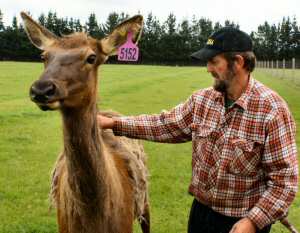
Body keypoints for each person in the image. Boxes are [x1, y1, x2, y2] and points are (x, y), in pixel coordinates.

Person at [98, 27, 299, 233]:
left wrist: (253, 222)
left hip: (244, 221)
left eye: (214, 61)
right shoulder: (202, 100)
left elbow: (285, 181)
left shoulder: (272, 111)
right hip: (201, 215)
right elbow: (164, 125)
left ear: (238, 62)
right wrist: (113, 124)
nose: (208, 68)